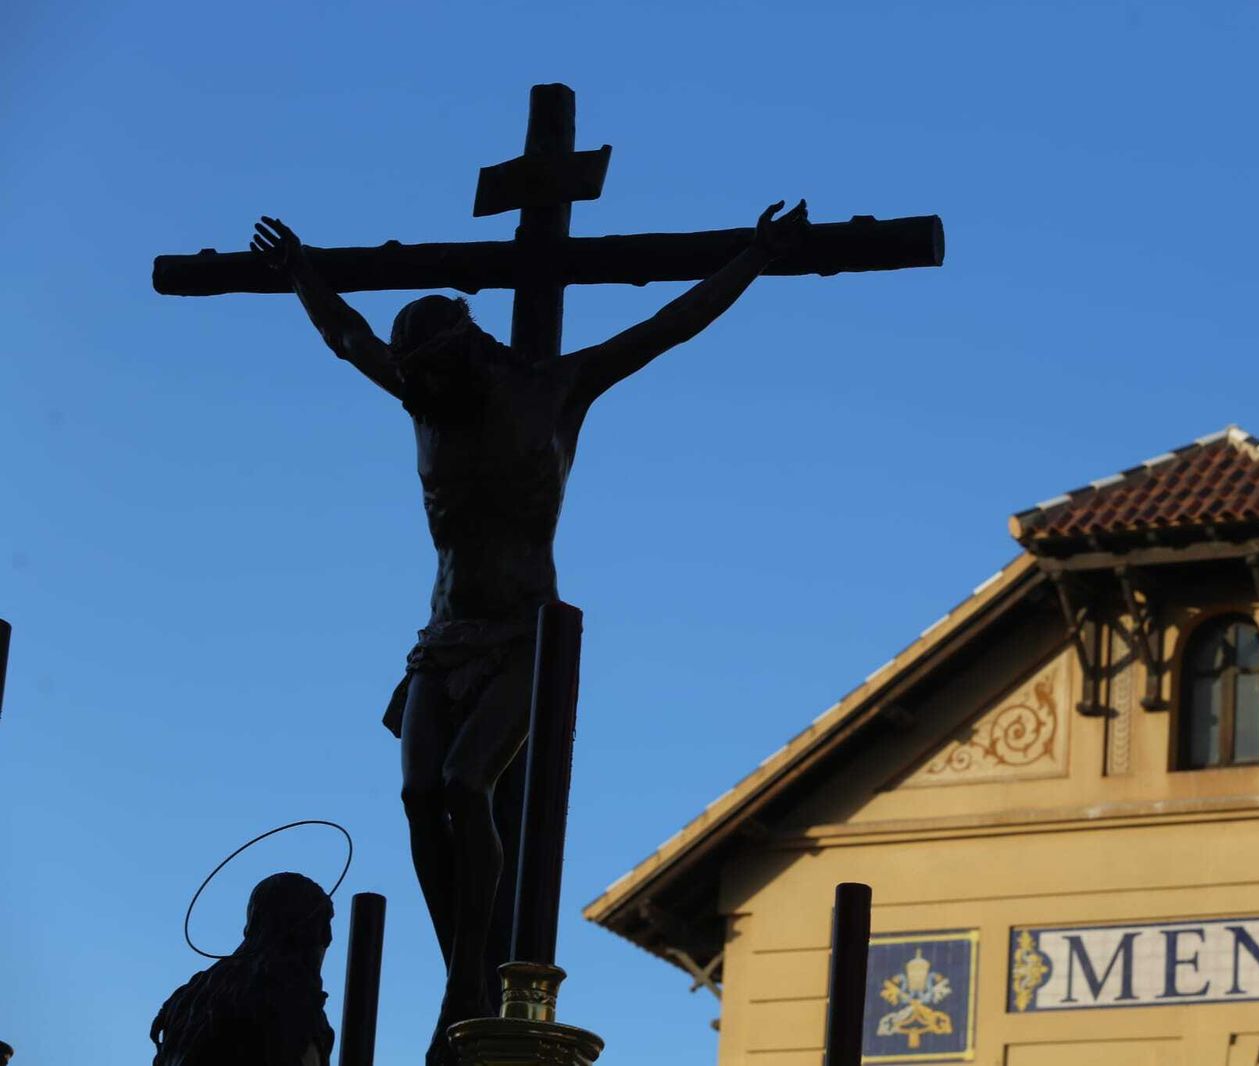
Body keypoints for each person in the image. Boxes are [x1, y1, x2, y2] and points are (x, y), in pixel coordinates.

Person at [250, 201, 810, 1058]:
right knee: (417, 795)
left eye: (433, 376)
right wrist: (299, 273)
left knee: (469, 784)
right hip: (442, 640)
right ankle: (464, 973)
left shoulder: (554, 389)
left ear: (466, 347)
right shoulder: (424, 399)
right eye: (417, 383)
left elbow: (668, 326)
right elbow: (347, 337)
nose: (424, 394)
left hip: (523, 638)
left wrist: (756, 256)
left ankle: (465, 974)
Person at [150, 873, 335, 1066]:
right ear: (301, 931)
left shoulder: (190, 998)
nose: (328, 939)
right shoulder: (288, 999)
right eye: (322, 925)